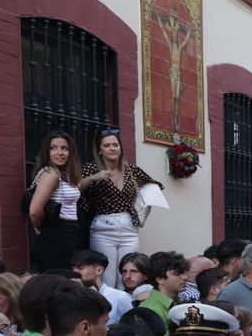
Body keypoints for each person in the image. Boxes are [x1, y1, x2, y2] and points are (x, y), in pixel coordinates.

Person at [77, 127, 163, 287]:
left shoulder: (131, 170)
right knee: (107, 278)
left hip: (129, 227)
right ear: (100, 150)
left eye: (115, 145)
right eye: (107, 145)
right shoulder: (92, 168)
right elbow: (76, 189)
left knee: (129, 276)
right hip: (104, 227)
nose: (112, 148)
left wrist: (143, 204)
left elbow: (154, 185)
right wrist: (93, 178)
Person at [26, 130, 85, 274]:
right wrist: (42, 228)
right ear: (47, 152)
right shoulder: (50, 174)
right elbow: (34, 211)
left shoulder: (65, 174)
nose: (59, 153)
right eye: (53, 148)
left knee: (66, 277)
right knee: (58, 278)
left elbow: (79, 187)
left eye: (64, 148)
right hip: (56, 232)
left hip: (69, 231)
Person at [71, 248, 133, 324]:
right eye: (73, 268)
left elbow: (134, 327)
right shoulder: (71, 297)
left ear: (99, 270)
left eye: (80, 268)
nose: (75, 272)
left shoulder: (120, 298)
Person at [139, 250, 188, 328]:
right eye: (177, 273)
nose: (185, 277)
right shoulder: (150, 310)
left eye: (184, 272)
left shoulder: (178, 302)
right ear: (160, 279)